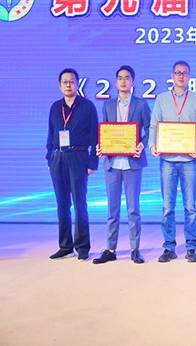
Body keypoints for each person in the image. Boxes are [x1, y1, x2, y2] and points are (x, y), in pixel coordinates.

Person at [149, 61, 196, 263]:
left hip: (189, 160)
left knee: (190, 207)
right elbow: (154, 125)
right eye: (177, 73)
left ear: (189, 76)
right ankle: (169, 247)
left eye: (185, 73)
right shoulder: (162, 98)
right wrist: (152, 145)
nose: (181, 76)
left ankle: (191, 247)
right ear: (172, 75)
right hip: (167, 160)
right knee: (167, 207)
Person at [92, 65, 151, 265]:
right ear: (116, 82)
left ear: (133, 82)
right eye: (120, 78)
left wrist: (142, 144)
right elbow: (105, 131)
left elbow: (150, 128)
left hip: (133, 162)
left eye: (127, 78)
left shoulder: (141, 104)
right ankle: (110, 249)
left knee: (133, 209)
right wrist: (101, 145)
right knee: (112, 209)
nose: (123, 81)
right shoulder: (108, 105)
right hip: (112, 163)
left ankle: (135, 249)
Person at [46, 68, 98, 261]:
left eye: (71, 81)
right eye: (64, 82)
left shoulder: (87, 106)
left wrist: (92, 161)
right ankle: (65, 246)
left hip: (79, 157)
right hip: (58, 158)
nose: (68, 85)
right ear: (59, 85)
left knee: (79, 203)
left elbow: (95, 136)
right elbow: (51, 134)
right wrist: (49, 157)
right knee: (62, 204)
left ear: (77, 84)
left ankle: (82, 246)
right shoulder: (55, 107)